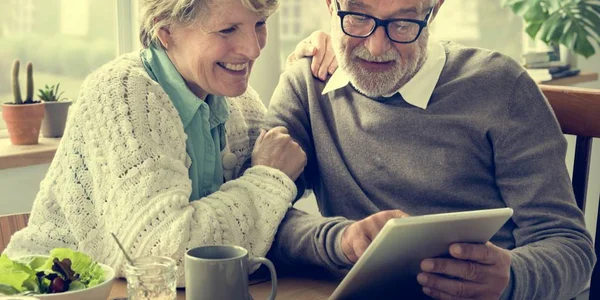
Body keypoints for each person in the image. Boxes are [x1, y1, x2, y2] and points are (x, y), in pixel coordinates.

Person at [265, 0, 596, 299]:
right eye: (357, 16)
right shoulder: (305, 84)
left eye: (403, 23)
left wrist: (511, 279)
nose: (376, 46)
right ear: (331, 6)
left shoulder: (501, 86)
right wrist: (340, 240)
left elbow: (572, 248)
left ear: (433, 10)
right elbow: (258, 220)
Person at [3, 0, 329, 286]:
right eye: (228, 29)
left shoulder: (236, 103)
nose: (252, 49)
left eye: (259, 24)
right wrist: (268, 179)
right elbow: (160, 254)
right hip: (50, 288)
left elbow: (284, 183)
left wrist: (320, 68)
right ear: (166, 31)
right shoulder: (122, 92)